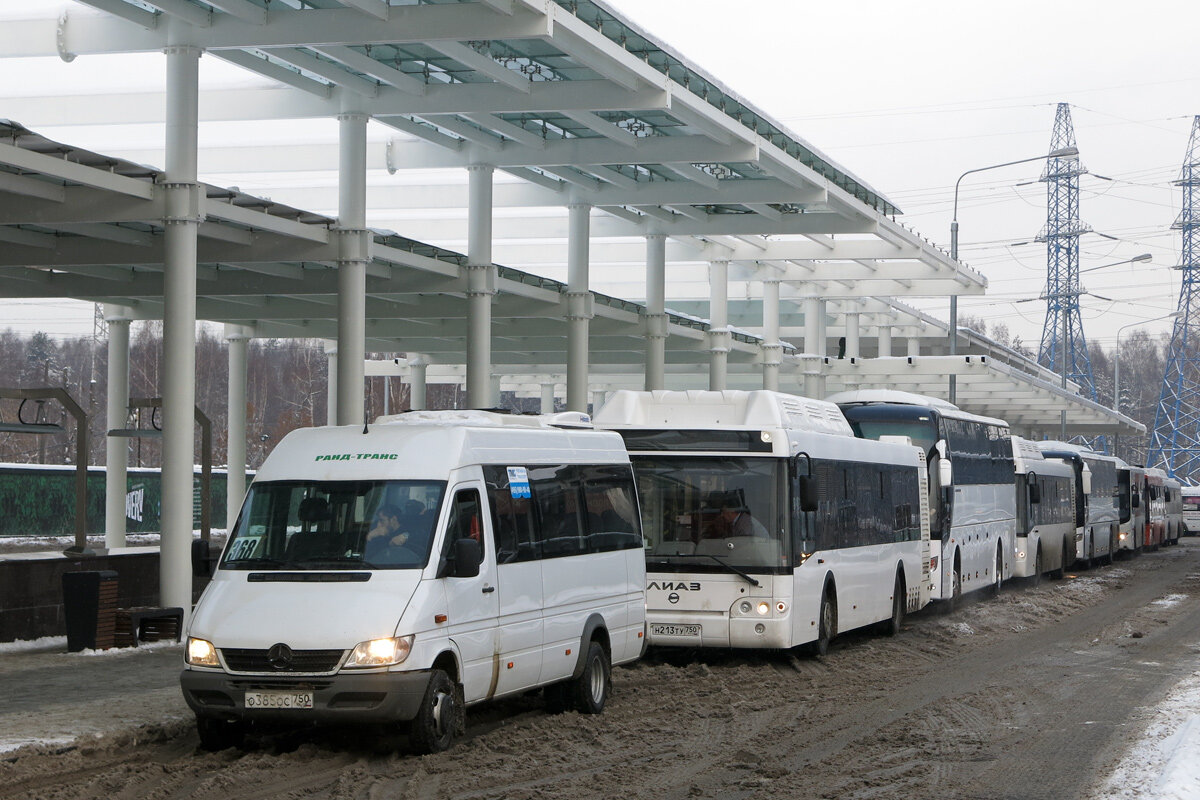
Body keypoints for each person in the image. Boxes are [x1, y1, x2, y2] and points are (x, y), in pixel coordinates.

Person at [701, 490, 769, 539]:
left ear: (732, 511)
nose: (722, 515)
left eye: (724, 512)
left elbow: (743, 545)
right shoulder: (737, 520)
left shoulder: (745, 524)